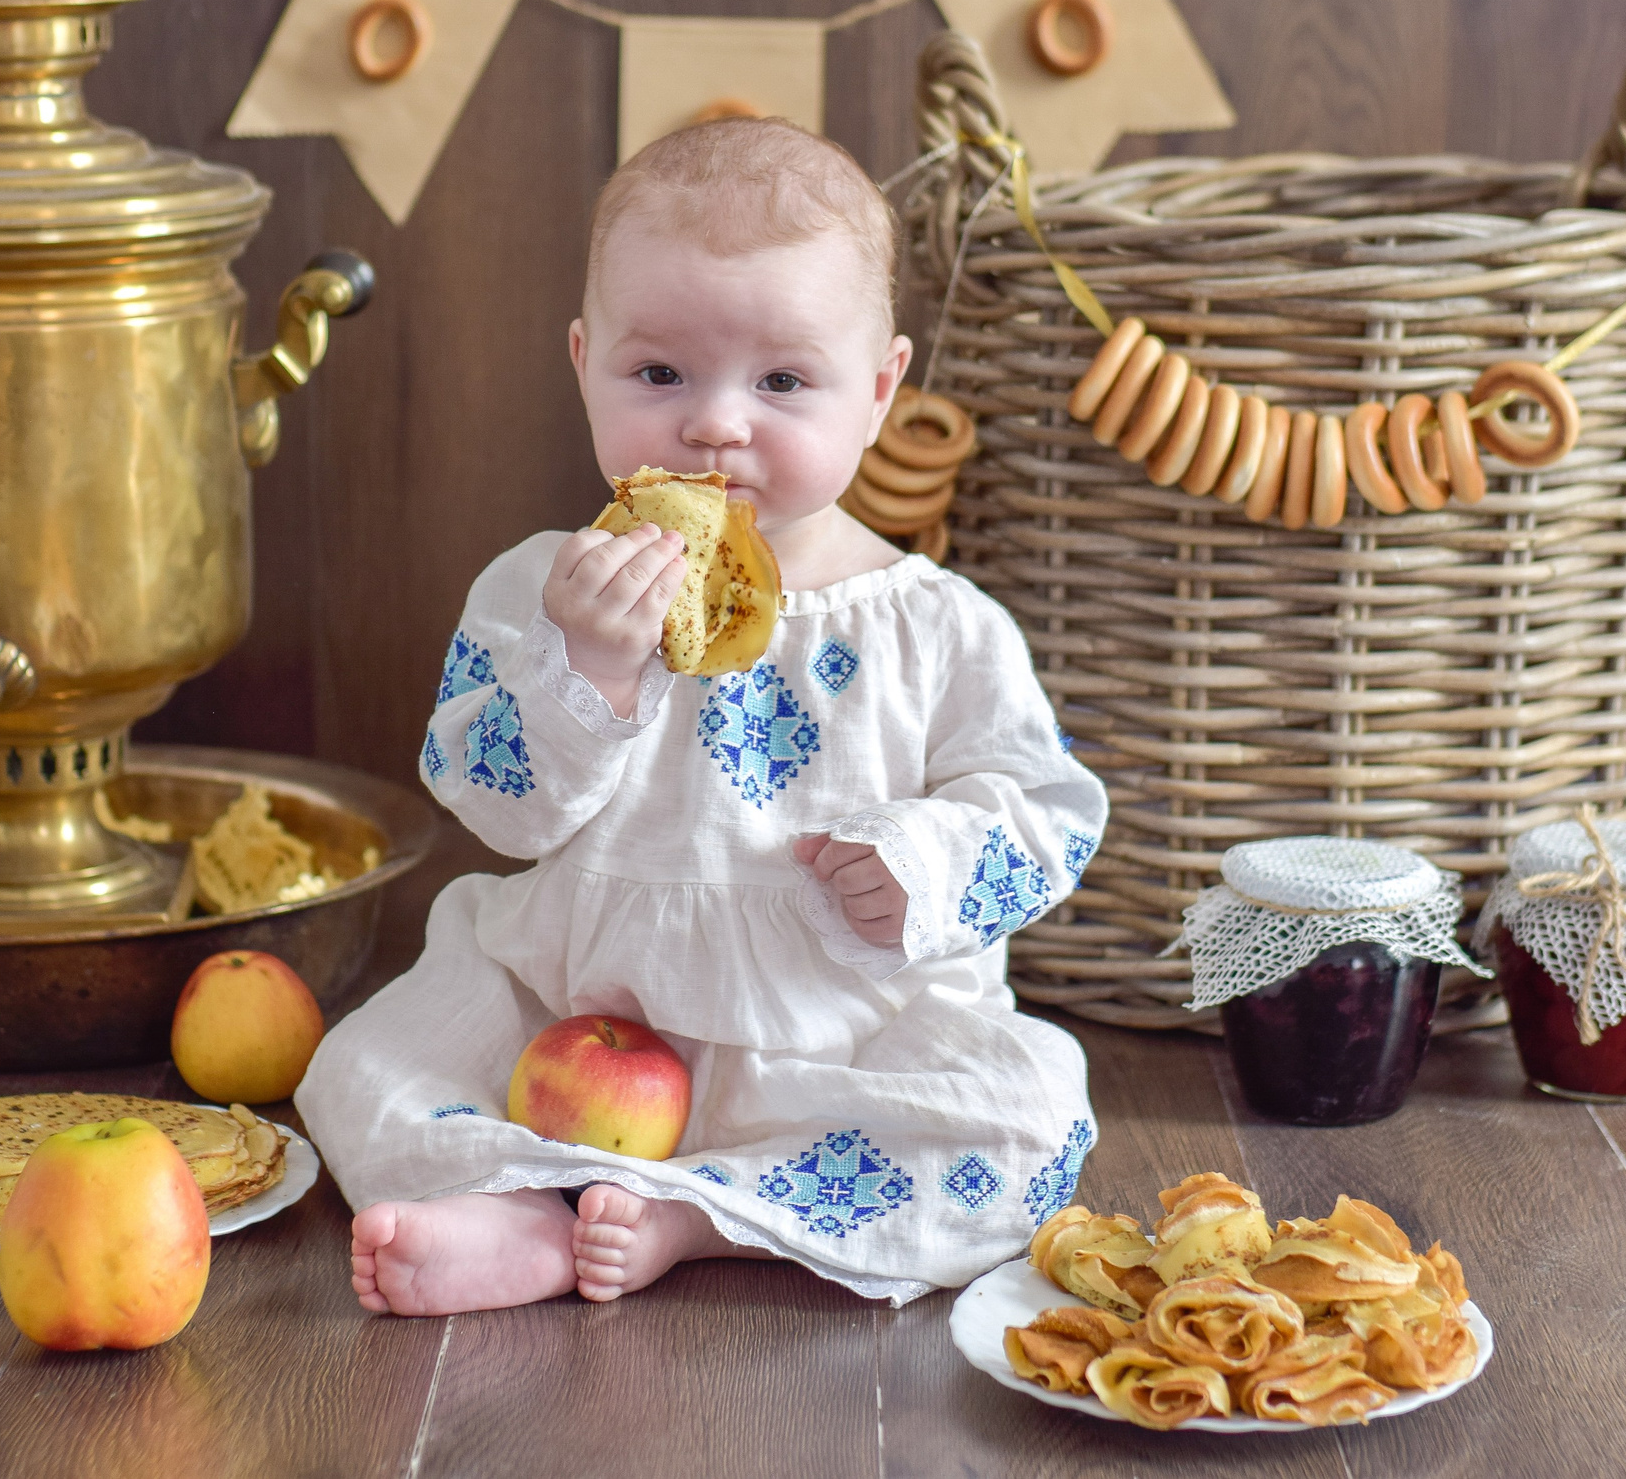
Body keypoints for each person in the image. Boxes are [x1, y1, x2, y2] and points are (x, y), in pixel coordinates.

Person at [295, 116, 1107, 1313]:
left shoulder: (937, 625)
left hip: (836, 1044)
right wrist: (590, 672)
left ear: (879, 391)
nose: (717, 424)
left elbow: (1047, 811)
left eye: (782, 381)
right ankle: (524, 1204)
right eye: (660, 374)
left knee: (1026, 1130)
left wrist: (924, 863)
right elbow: (492, 807)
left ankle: (705, 1220)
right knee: (364, 1072)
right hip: (577, 1006)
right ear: (583, 363)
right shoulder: (543, 587)